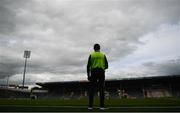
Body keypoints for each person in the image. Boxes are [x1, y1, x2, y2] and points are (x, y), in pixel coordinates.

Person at [87, 43, 108, 110]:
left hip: (93, 72)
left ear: (94, 48)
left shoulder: (91, 55)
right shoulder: (103, 55)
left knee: (92, 89)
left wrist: (88, 75)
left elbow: (88, 66)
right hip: (101, 72)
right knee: (101, 89)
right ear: (99, 48)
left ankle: (90, 106)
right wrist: (103, 68)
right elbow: (107, 66)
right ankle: (101, 107)